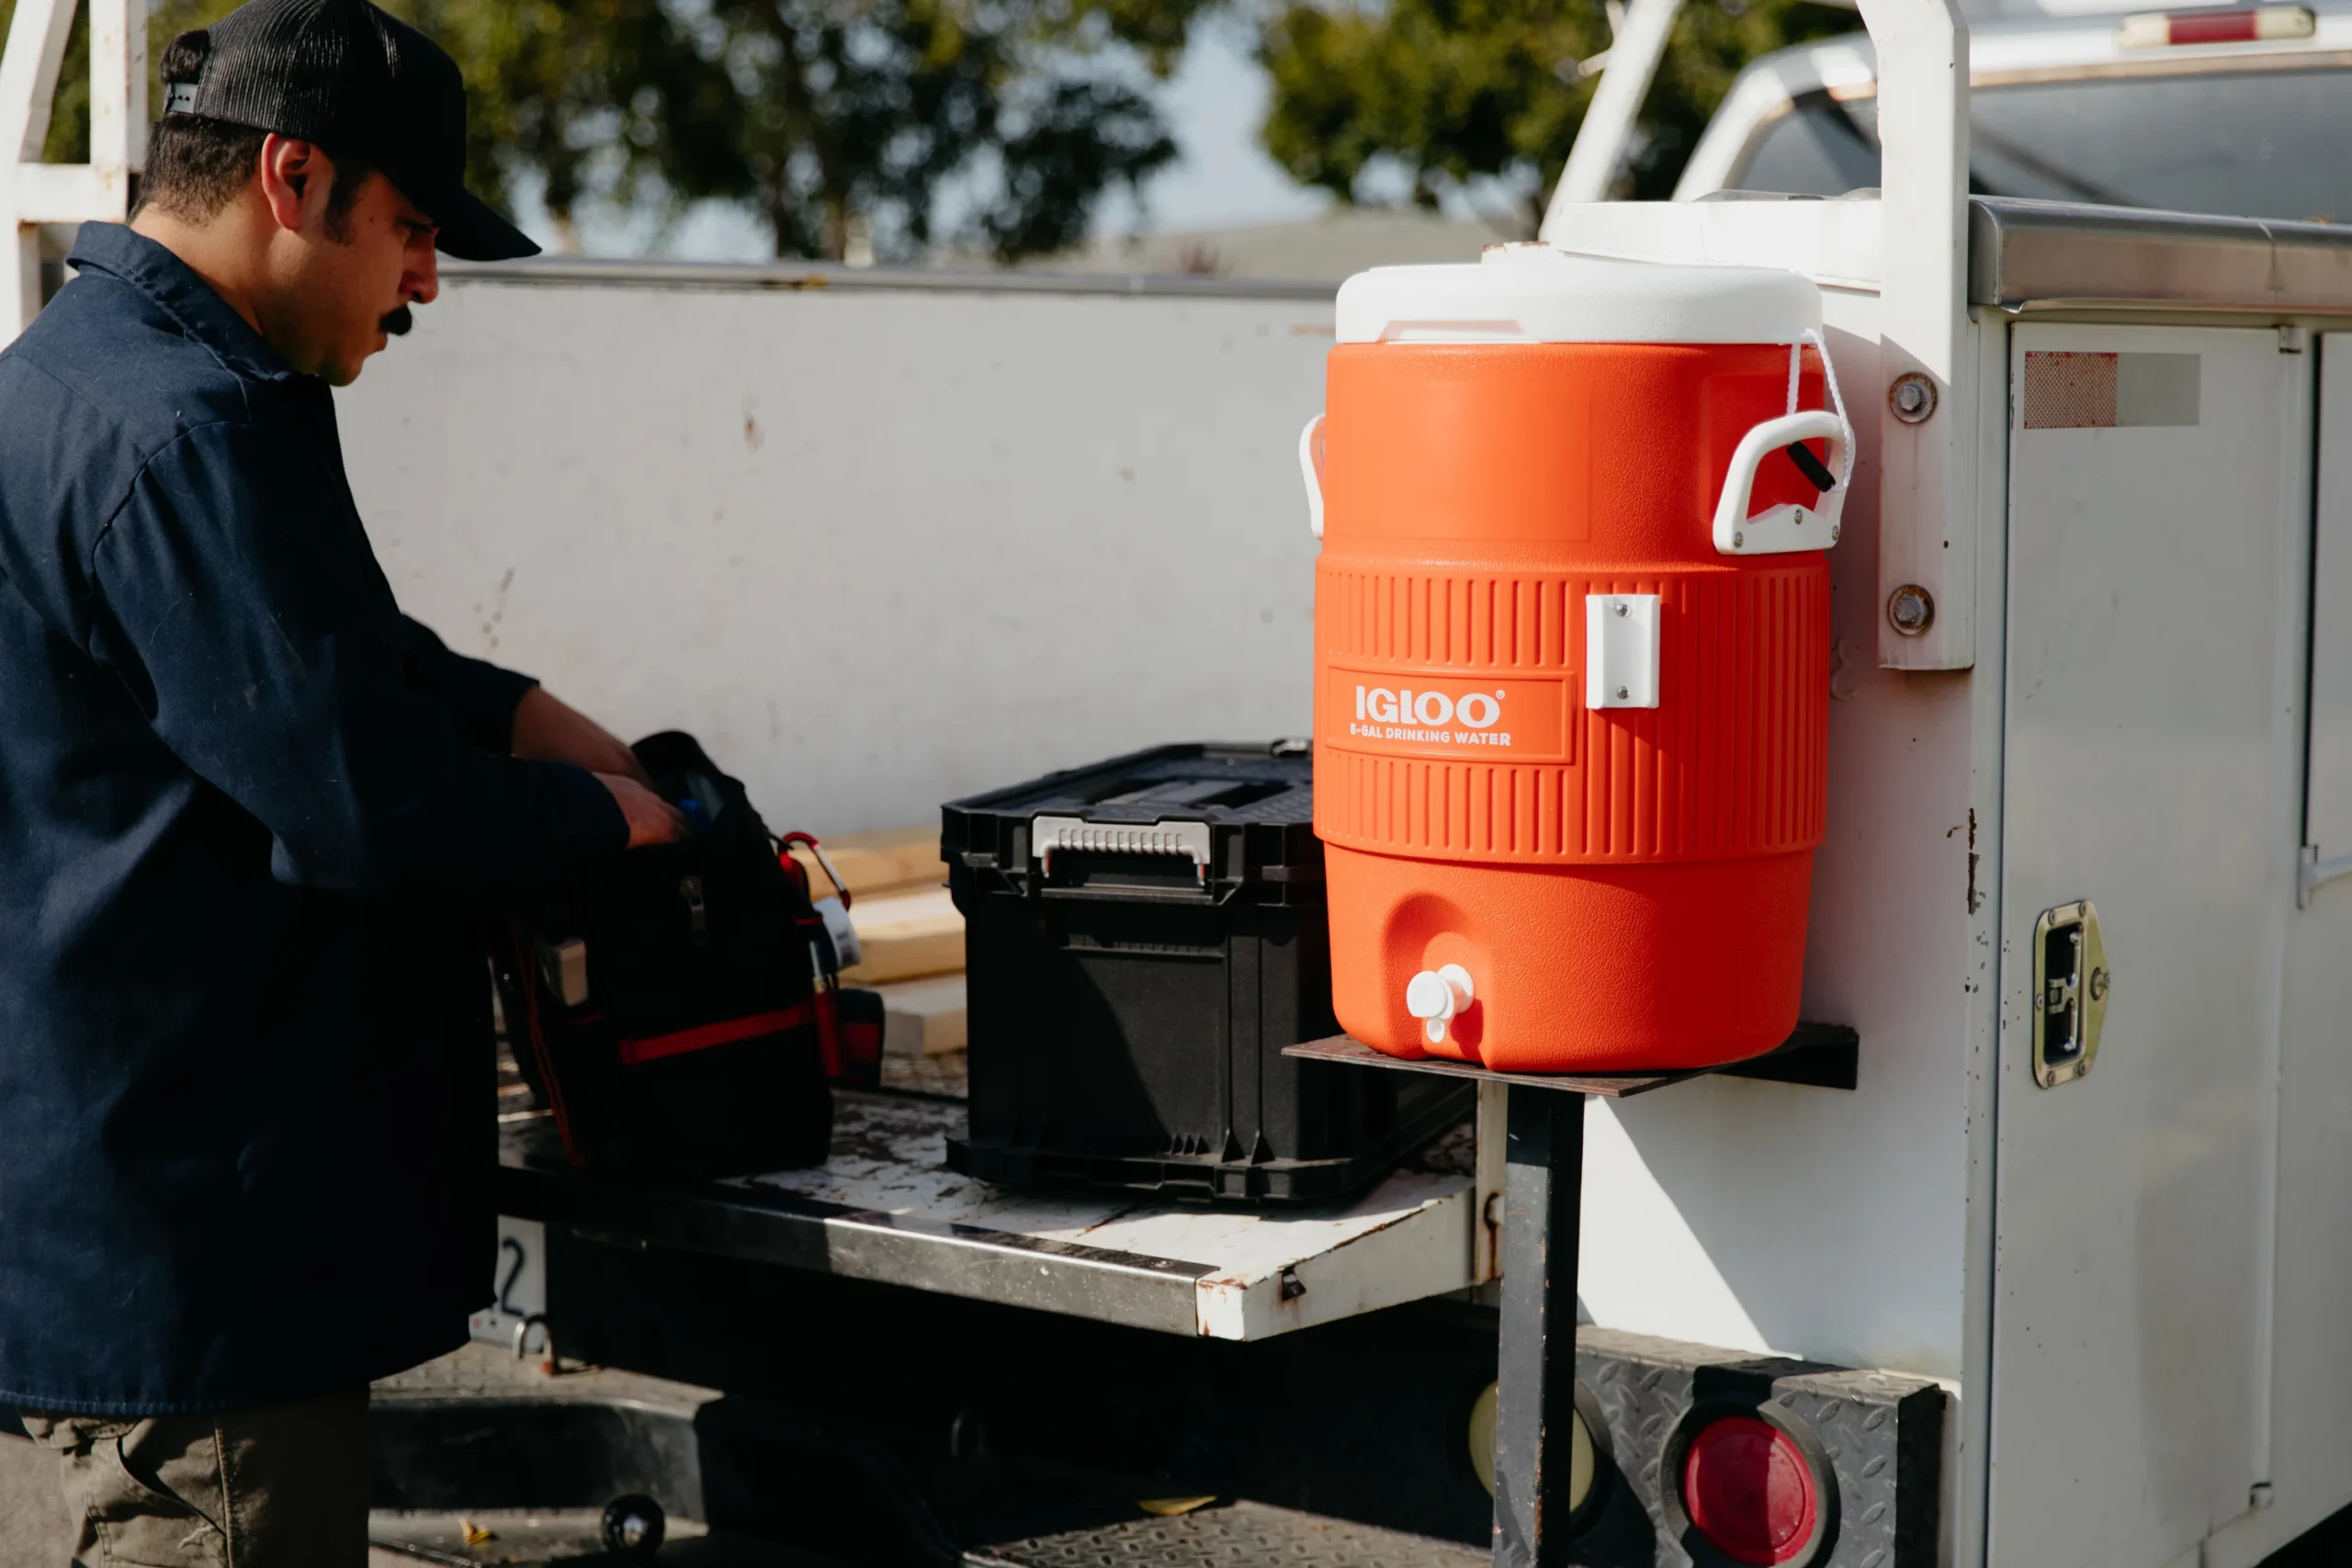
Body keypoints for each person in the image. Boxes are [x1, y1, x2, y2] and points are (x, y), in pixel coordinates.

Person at [0, 0, 689, 1561]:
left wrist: (523, 711)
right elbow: (364, 801)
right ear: (293, 180)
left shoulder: (89, 380)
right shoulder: (181, 435)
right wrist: (611, 819)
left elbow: (324, 658)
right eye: (415, 229)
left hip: (135, 1214)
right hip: (202, 1272)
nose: (427, 280)